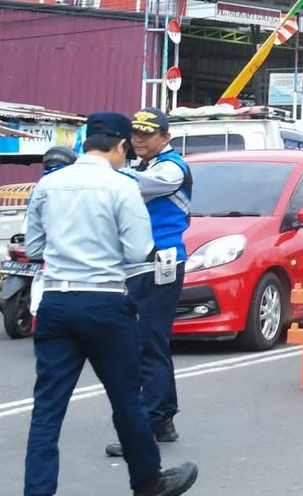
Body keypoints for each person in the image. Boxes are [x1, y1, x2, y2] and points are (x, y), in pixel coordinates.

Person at [22, 112, 198, 496]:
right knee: (126, 399)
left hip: (55, 302)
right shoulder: (122, 186)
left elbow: (33, 247)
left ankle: (37, 490)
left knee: (47, 408)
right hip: (104, 302)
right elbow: (138, 250)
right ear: (119, 145)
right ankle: (147, 481)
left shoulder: (48, 183)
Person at [105, 108, 191, 460]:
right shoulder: (146, 165)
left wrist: (99, 167)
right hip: (143, 264)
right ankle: (163, 418)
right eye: (135, 133)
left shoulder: (171, 168)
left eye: (147, 134)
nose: (138, 139)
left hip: (158, 264)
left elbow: (136, 186)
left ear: (165, 137)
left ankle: (149, 424)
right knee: (152, 343)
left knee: (147, 345)